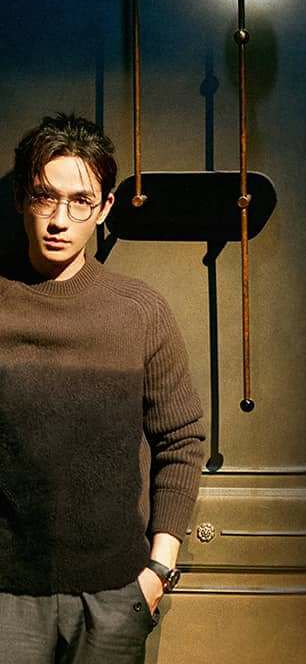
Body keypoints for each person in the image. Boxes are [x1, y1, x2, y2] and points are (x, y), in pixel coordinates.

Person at [0, 112, 206, 663]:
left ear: (105, 208)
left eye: (80, 202)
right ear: (21, 199)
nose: (59, 220)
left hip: (115, 596)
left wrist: (158, 570)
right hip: (6, 599)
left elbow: (181, 440)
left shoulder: (139, 311)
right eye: (44, 197)